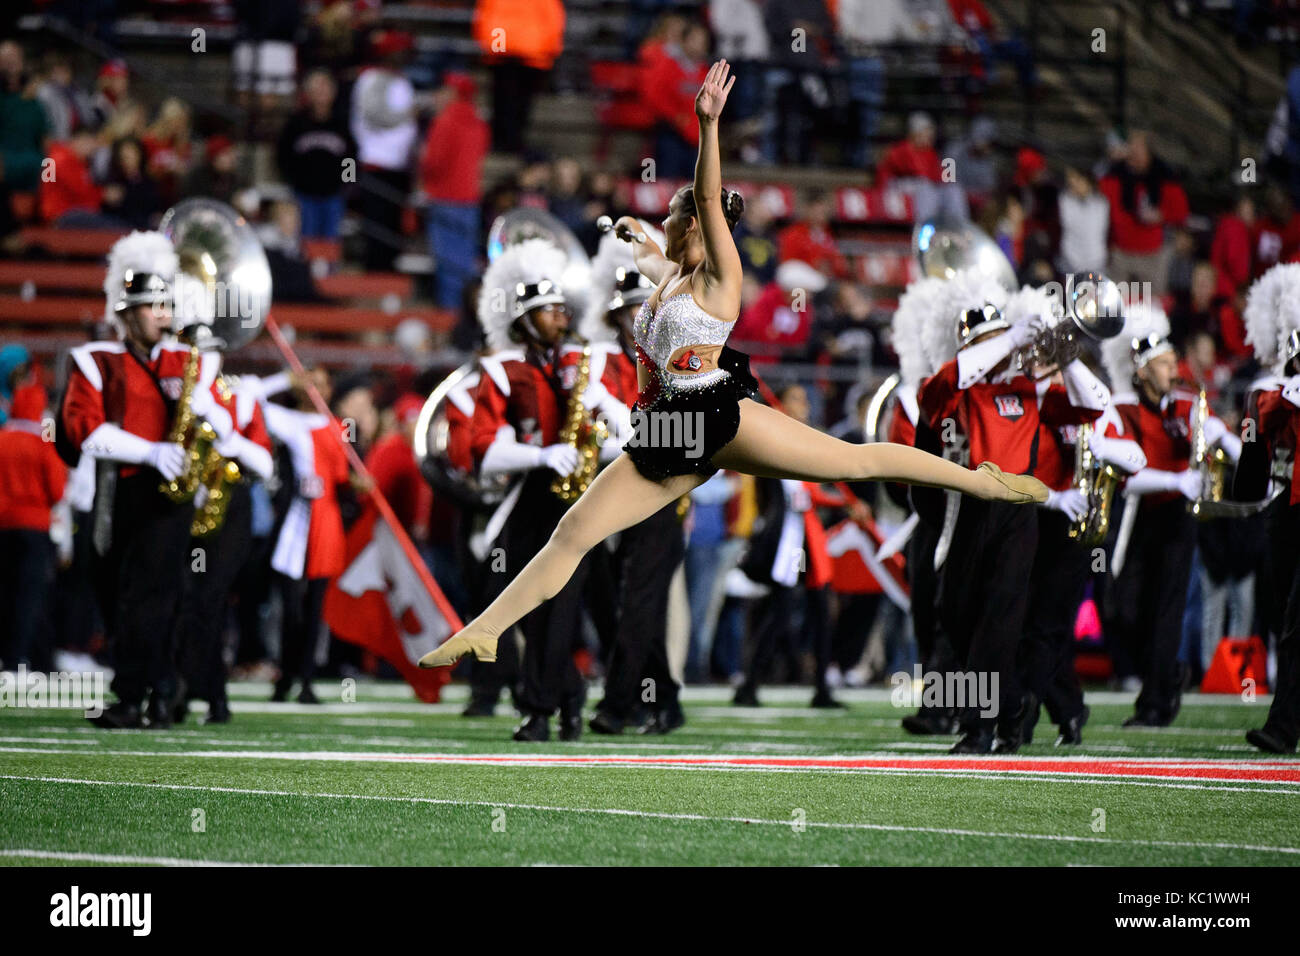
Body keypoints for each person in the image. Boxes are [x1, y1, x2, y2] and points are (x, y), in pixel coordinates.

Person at [420, 60, 1048, 672]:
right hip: (669, 433)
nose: (666, 223)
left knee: (857, 459)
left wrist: (708, 127)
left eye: (673, 217)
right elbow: (651, 263)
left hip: (713, 415)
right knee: (574, 530)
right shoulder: (672, 279)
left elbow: (707, 197)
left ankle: (984, 481)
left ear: (697, 222)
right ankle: (485, 631)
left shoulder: (721, 277)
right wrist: (633, 236)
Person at [56, 231, 231, 728]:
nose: (164, 313)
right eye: (153, 305)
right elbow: (85, 432)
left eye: (166, 304)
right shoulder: (95, 360)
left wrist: (212, 415)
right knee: (113, 592)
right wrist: (152, 451)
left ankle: (134, 697)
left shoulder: (186, 360)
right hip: (118, 489)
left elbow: (223, 414)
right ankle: (160, 686)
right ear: (127, 311)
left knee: (153, 596)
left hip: (168, 501)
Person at [461, 237, 594, 740]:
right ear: (524, 319)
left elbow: (615, 423)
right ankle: (569, 690)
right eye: (550, 311)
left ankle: (540, 710)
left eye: (563, 309)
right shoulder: (500, 369)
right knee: (518, 604)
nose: (562, 318)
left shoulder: (579, 363)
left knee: (560, 608)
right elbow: (483, 447)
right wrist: (540, 454)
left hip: (577, 498)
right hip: (529, 495)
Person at [1101, 304, 1241, 727]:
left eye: (1170, 362)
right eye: (1161, 364)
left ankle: (1156, 702)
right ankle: (1167, 675)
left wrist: (1240, 455)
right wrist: (1173, 480)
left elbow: (1219, 434)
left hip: (1177, 521)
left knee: (1167, 609)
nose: (1171, 370)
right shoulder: (1124, 408)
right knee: (1123, 608)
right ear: (1141, 371)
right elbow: (1127, 477)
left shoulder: (1185, 405)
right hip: (1138, 517)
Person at [1239, 264, 1300, 753]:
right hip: (1286, 506)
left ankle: (1283, 727)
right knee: (1286, 615)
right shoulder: (1270, 393)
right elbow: (1255, 452)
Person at [0, 382, 67, 670]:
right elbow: (57, 490)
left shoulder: (2, 439)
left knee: (4, 591)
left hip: (2, 525)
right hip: (35, 527)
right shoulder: (43, 442)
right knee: (29, 596)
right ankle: (17, 659)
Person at [419, 72, 488, 308]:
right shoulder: (479, 122)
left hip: (445, 198)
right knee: (465, 263)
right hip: (470, 200)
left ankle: (450, 319)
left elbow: (433, 163)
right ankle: (467, 318)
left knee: (447, 264)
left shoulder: (445, 120)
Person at [277, 70, 354, 239]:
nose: (321, 94)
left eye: (325, 88)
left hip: (333, 194)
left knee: (331, 241)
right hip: (304, 194)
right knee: (306, 240)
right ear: (308, 93)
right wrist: (293, 180)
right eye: (317, 89)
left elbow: (351, 156)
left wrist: (347, 185)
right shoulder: (296, 123)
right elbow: (283, 155)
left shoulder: (341, 122)